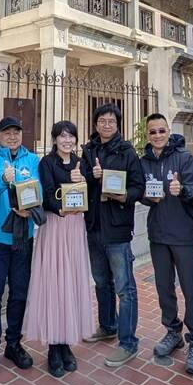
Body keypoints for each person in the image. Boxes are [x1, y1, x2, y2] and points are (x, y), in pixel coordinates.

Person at [23, 120, 96, 378]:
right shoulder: (47, 163)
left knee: (72, 281)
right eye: (62, 136)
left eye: (71, 136)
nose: (67, 141)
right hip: (55, 226)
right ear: (54, 139)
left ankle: (66, 344)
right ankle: (54, 347)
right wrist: (61, 207)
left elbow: (89, 193)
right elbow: (47, 194)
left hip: (75, 227)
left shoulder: (81, 161)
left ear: (76, 139)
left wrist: (83, 179)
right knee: (55, 282)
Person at [0, 117, 43, 381]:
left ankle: (13, 344)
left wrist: (31, 207)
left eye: (16, 132)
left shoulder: (32, 160)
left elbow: (37, 189)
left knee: (19, 294)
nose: (13, 136)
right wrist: (4, 181)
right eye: (7, 132)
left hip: (23, 238)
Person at [139, 113, 193, 374]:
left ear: (168, 132)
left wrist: (183, 190)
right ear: (147, 135)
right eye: (152, 132)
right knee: (163, 287)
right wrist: (146, 197)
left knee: (191, 289)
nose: (157, 135)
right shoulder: (143, 161)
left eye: (161, 131)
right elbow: (140, 190)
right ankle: (172, 331)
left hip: (184, 235)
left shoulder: (185, 158)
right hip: (158, 234)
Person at [81, 103, 144, 368]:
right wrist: (89, 175)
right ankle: (108, 325)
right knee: (101, 282)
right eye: (102, 121)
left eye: (111, 121)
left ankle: (128, 342)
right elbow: (79, 182)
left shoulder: (127, 152)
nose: (106, 125)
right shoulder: (87, 150)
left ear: (118, 125)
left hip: (117, 229)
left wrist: (124, 196)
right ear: (95, 123)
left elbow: (138, 187)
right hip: (94, 226)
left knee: (125, 287)